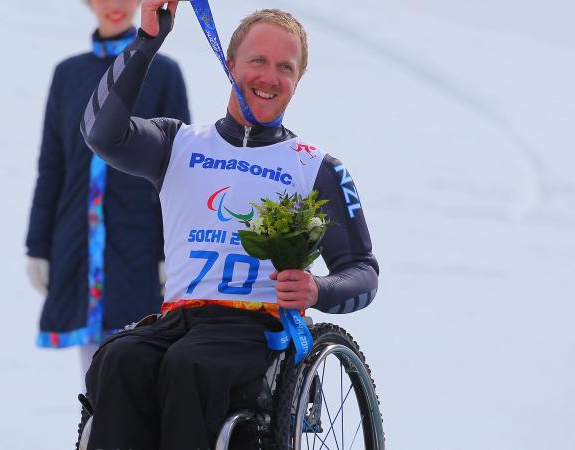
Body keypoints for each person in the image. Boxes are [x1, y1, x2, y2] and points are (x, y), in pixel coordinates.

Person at [81, 2, 379, 449]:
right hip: (177, 320)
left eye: (285, 67)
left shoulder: (316, 168)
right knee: (120, 359)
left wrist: (316, 289)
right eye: (257, 60)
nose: (269, 77)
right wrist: (147, 41)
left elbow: (362, 272)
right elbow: (102, 133)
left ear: (297, 81)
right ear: (230, 64)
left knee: (191, 367)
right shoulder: (176, 143)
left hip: (253, 333)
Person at [25, 0, 190, 387]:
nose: (114, 6)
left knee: (139, 369)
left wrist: (170, 250)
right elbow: (52, 166)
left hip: (137, 247)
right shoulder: (68, 75)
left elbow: (180, 171)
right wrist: (38, 245)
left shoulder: (163, 73)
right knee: (93, 381)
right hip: (77, 246)